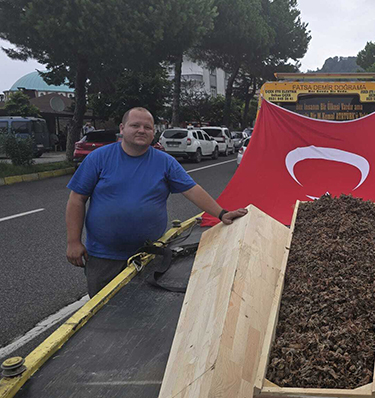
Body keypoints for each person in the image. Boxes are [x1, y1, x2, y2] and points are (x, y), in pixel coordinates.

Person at [66, 107, 246, 297]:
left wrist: (222, 213)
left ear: (153, 132)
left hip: (149, 255)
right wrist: (73, 242)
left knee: (145, 310)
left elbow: (192, 190)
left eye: (147, 127)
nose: (141, 130)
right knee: (100, 316)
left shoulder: (165, 162)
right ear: (122, 128)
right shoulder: (98, 158)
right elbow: (77, 199)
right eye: (135, 125)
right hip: (104, 257)